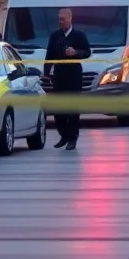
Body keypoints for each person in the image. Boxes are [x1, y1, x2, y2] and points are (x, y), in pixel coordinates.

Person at [44, 8, 90, 151]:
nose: (61, 22)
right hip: (59, 76)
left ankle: (72, 138)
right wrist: (46, 72)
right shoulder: (55, 36)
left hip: (74, 77)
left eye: (63, 19)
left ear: (70, 19)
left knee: (72, 109)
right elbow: (49, 55)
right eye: (59, 19)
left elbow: (87, 52)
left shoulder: (79, 35)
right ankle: (64, 135)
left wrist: (76, 53)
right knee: (59, 110)